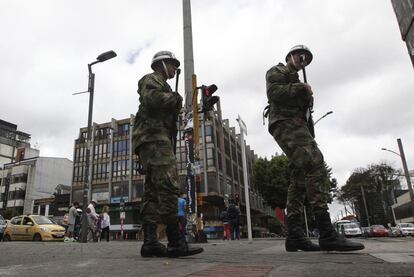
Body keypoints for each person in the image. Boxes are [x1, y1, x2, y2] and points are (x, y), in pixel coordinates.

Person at [265, 44, 364, 252]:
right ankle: (326, 232)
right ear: (290, 56)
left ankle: (294, 235)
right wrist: (301, 89)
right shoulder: (278, 71)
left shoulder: (299, 81)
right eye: (301, 57)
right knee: (315, 163)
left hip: (297, 125)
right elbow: (275, 93)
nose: (303, 61)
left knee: (300, 176)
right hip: (284, 122)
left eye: (307, 60)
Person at [132, 50, 203, 258]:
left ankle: (150, 242)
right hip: (154, 139)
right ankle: (175, 242)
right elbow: (152, 98)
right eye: (172, 64)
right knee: (169, 186)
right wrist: (174, 99)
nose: (174, 69)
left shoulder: (162, 83)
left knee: (153, 192)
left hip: (153, 139)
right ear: (162, 64)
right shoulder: (152, 79)